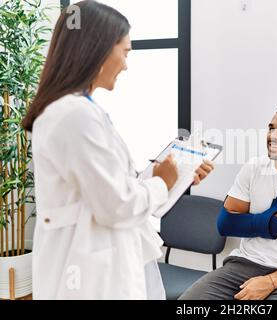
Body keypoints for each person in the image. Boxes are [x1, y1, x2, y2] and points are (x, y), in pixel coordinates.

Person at [22, 0, 213, 299]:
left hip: (98, 264)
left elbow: (109, 191)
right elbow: (117, 205)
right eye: (124, 52)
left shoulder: (76, 111)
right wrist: (163, 181)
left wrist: (177, 178)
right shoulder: (74, 115)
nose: (125, 64)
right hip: (89, 275)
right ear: (96, 48)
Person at [179, 104, 277, 300]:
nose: (273, 135)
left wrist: (271, 281)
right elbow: (226, 223)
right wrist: (271, 223)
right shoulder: (253, 169)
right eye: (271, 128)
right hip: (244, 264)